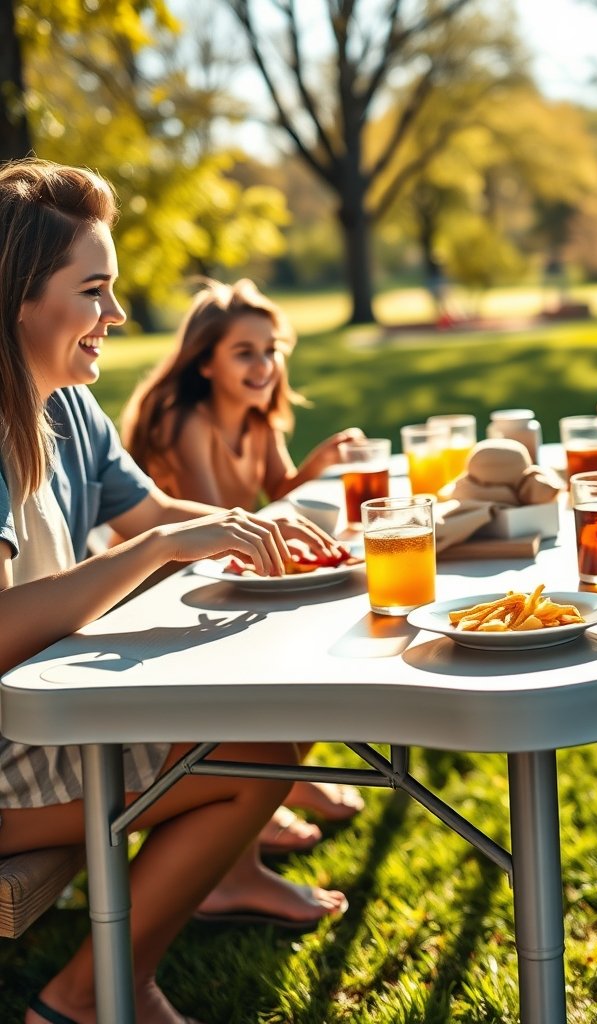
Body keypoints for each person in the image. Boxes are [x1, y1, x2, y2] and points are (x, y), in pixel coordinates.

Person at [0, 159, 347, 1024]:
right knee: (252, 754)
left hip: (47, 714)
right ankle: (89, 998)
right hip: (11, 750)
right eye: (94, 292)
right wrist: (158, 548)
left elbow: (153, 511)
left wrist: (261, 533)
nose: (116, 314)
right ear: (18, 303)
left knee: (266, 720)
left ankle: (158, 940)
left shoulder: (67, 408)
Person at [120, 278, 367, 852]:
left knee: (318, 624)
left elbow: (278, 490)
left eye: (270, 349)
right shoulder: (189, 424)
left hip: (221, 577)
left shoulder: (258, 420)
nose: (263, 365)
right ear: (205, 363)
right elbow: (214, 522)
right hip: (165, 590)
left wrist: (318, 461)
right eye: (244, 352)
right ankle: (265, 785)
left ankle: (283, 773)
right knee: (291, 635)